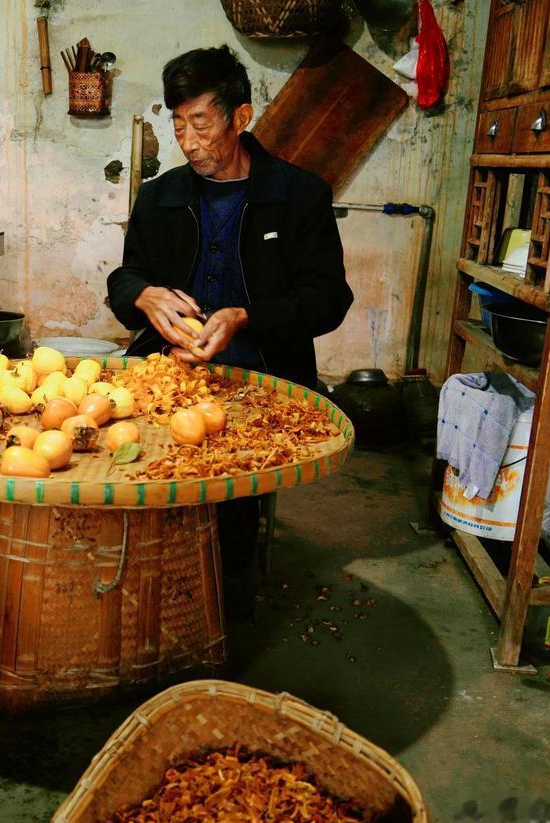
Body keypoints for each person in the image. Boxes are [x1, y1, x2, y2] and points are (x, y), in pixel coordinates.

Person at [107, 46, 353, 621]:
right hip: (167, 369)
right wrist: (142, 296)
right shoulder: (159, 196)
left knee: (225, 487)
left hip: (261, 371)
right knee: (126, 459)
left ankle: (218, 607)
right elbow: (127, 274)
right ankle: (141, 589)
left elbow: (328, 297)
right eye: (177, 124)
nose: (188, 141)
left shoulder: (299, 196)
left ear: (240, 118)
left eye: (200, 122)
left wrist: (246, 317)